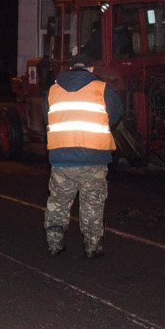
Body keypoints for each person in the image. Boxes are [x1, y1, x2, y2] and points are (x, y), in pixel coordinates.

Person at [45, 60, 124, 257]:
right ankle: (92, 246)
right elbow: (115, 115)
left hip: (62, 157)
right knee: (92, 202)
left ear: (71, 68)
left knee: (59, 201)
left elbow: (48, 117)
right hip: (94, 157)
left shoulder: (53, 90)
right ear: (91, 69)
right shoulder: (102, 88)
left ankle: (54, 244)